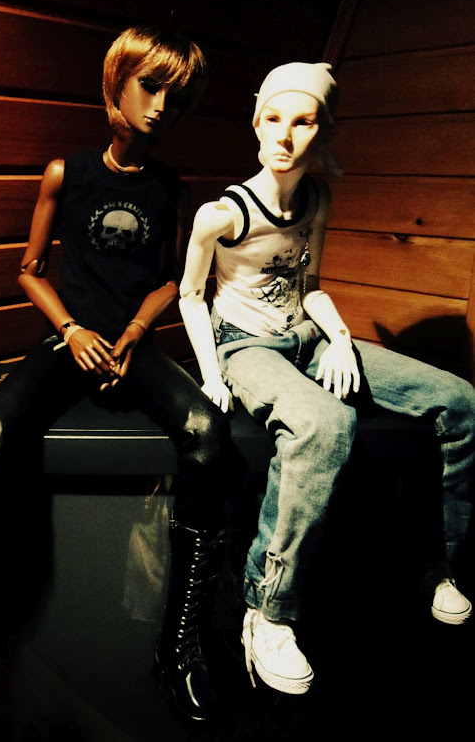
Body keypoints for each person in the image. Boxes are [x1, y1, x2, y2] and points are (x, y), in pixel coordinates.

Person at [0, 26, 231, 726]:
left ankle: (180, 647)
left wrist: (134, 334)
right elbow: (29, 269)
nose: (161, 107)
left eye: (176, 98)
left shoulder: (171, 188)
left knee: (208, 432)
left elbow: (171, 279)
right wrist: (73, 330)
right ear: (116, 84)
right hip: (69, 341)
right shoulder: (66, 173)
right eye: (151, 87)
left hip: (133, 347)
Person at [179, 62, 475, 695]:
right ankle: (268, 611)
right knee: (324, 422)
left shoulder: (317, 198)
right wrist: (211, 373)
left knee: (459, 400)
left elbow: (308, 285)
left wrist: (338, 337)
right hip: (244, 345)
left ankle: (434, 562)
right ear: (256, 123)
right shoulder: (221, 215)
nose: (285, 135)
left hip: (308, 336)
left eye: (304, 121)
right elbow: (190, 296)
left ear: (323, 131)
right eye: (274, 118)